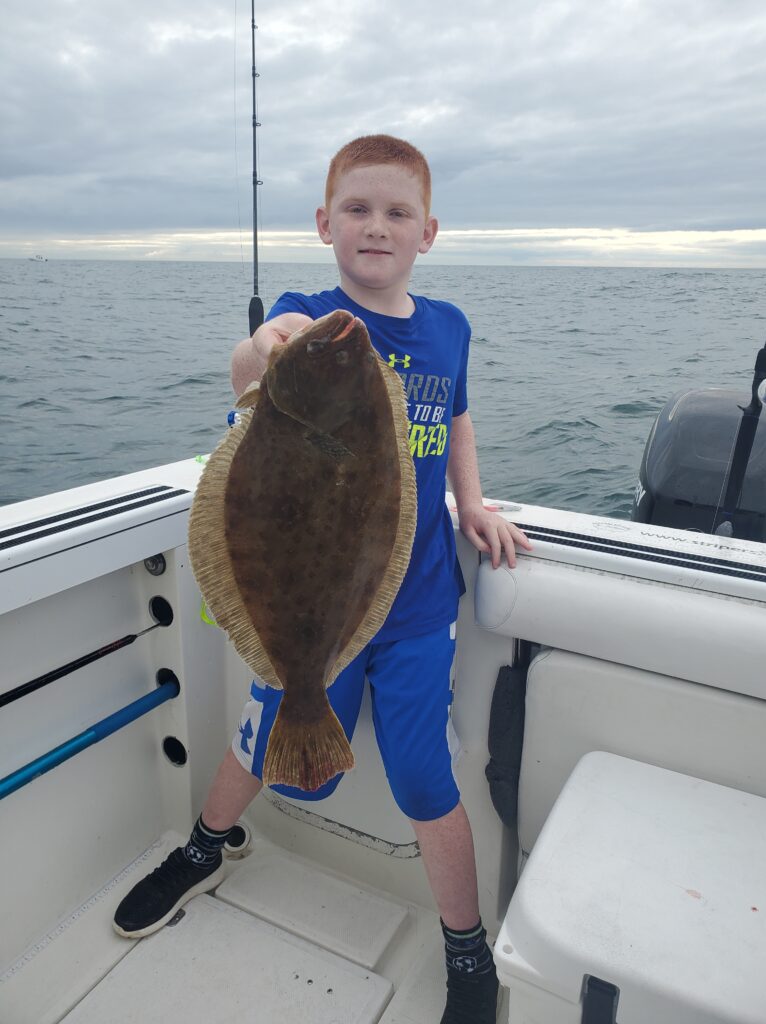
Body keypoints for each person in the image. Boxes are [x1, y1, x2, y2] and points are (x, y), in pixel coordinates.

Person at [114, 134, 531, 1024]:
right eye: (356, 209)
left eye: (396, 213)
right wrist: (266, 347)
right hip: (308, 600)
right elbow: (244, 375)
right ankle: (204, 845)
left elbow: (456, 419)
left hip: (416, 604)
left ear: (428, 232)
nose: (375, 226)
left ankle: (466, 950)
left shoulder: (449, 327)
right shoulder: (303, 317)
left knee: (426, 777)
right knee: (274, 747)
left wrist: (476, 504)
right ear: (323, 223)